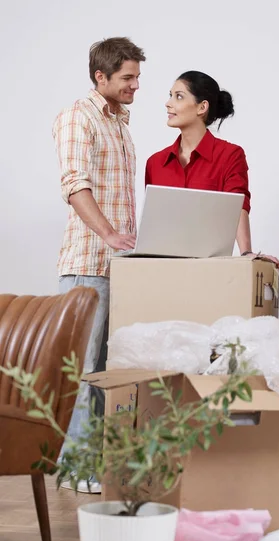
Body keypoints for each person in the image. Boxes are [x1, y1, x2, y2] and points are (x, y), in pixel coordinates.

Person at [53, 36, 146, 492]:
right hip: (89, 264)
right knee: (84, 371)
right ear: (101, 77)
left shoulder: (121, 126)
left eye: (137, 78)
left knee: (107, 373)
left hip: (122, 268)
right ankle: (75, 467)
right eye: (128, 78)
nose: (135, 86)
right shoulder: (79, 118)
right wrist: (109, 235)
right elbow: (74, 184)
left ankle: (95, 464)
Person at [145, 71, 279, 268]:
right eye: (170, 95)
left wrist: (246, 252)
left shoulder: (230, 155)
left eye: (179, 96)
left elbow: (238, 204)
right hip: (162, 268)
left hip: (209, 271)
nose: (168, 103)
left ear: (202, 107)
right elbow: (153, 222)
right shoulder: (155, 163)